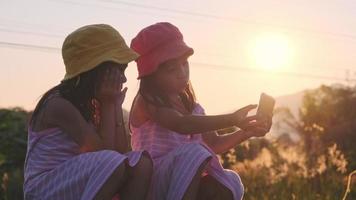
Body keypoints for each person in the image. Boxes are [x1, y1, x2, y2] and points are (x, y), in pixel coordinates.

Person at [129, 22, 272, 200]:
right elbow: (181, 124)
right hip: (154, 180)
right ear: (150, 75)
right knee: (194, 152)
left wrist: (247, 132)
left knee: (230, 180)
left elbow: (213, 144)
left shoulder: (192, 107)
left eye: (184, 64)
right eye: (172, 68)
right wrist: (232, 119)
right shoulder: (148, 101)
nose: (182, 72)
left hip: (186, 179)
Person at [24, 24, 152, 200]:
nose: (122, 78)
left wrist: (114, 106)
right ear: (97, 68)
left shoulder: (92, 103)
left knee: (140, 163)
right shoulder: (59, 105)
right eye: (119, 70)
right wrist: (108, 104)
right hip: (46, 187)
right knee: (110, 162)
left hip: (75, 180)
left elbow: (120, 151)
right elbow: (103, 154)